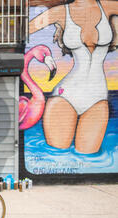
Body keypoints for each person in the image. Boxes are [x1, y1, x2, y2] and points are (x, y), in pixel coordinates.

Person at [29, 0, 118, 154]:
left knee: (89, 158)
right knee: (58, 155)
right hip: (64, 97)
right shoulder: (62, 11)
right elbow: (22, 29)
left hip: (98, 100)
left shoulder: (108, 6)